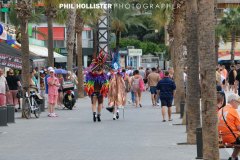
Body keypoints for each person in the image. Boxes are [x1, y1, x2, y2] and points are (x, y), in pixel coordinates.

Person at [85, 52, 109, 122]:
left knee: (94, 103)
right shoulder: (103, 75)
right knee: (100, 103)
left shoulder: (91, 74)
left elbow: (89, 73)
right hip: (100, 90)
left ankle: (94, 114)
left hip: (93, 90)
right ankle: (98, 115)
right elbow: (106, 80)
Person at [218, 94, 240, 160]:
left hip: (220, 137)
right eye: (238, 102)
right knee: (238, 140)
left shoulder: (221, 110)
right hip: (230, 137)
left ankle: (233, 157)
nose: (238, 104)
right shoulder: (233, 111)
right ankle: (233, 157)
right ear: (233, 101)